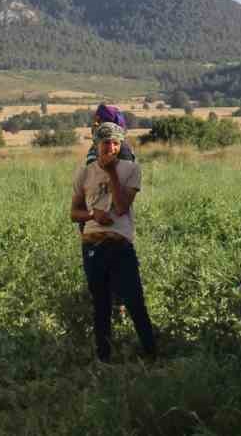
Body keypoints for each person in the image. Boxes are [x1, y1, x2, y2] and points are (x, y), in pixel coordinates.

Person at [70, 121, 157, 362]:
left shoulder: (131, 170)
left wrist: (111, 173)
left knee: (135, 301)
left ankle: (151, 355)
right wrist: (92, 215)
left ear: (121, 146)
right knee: (101, 306)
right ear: (97, 145)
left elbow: (121, 206)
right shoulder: (84, 173)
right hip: (92, 246)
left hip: (120, 247)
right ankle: (104, 359)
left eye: (116, 143)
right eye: (106, 142)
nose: (111, 147)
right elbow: (74, 213)